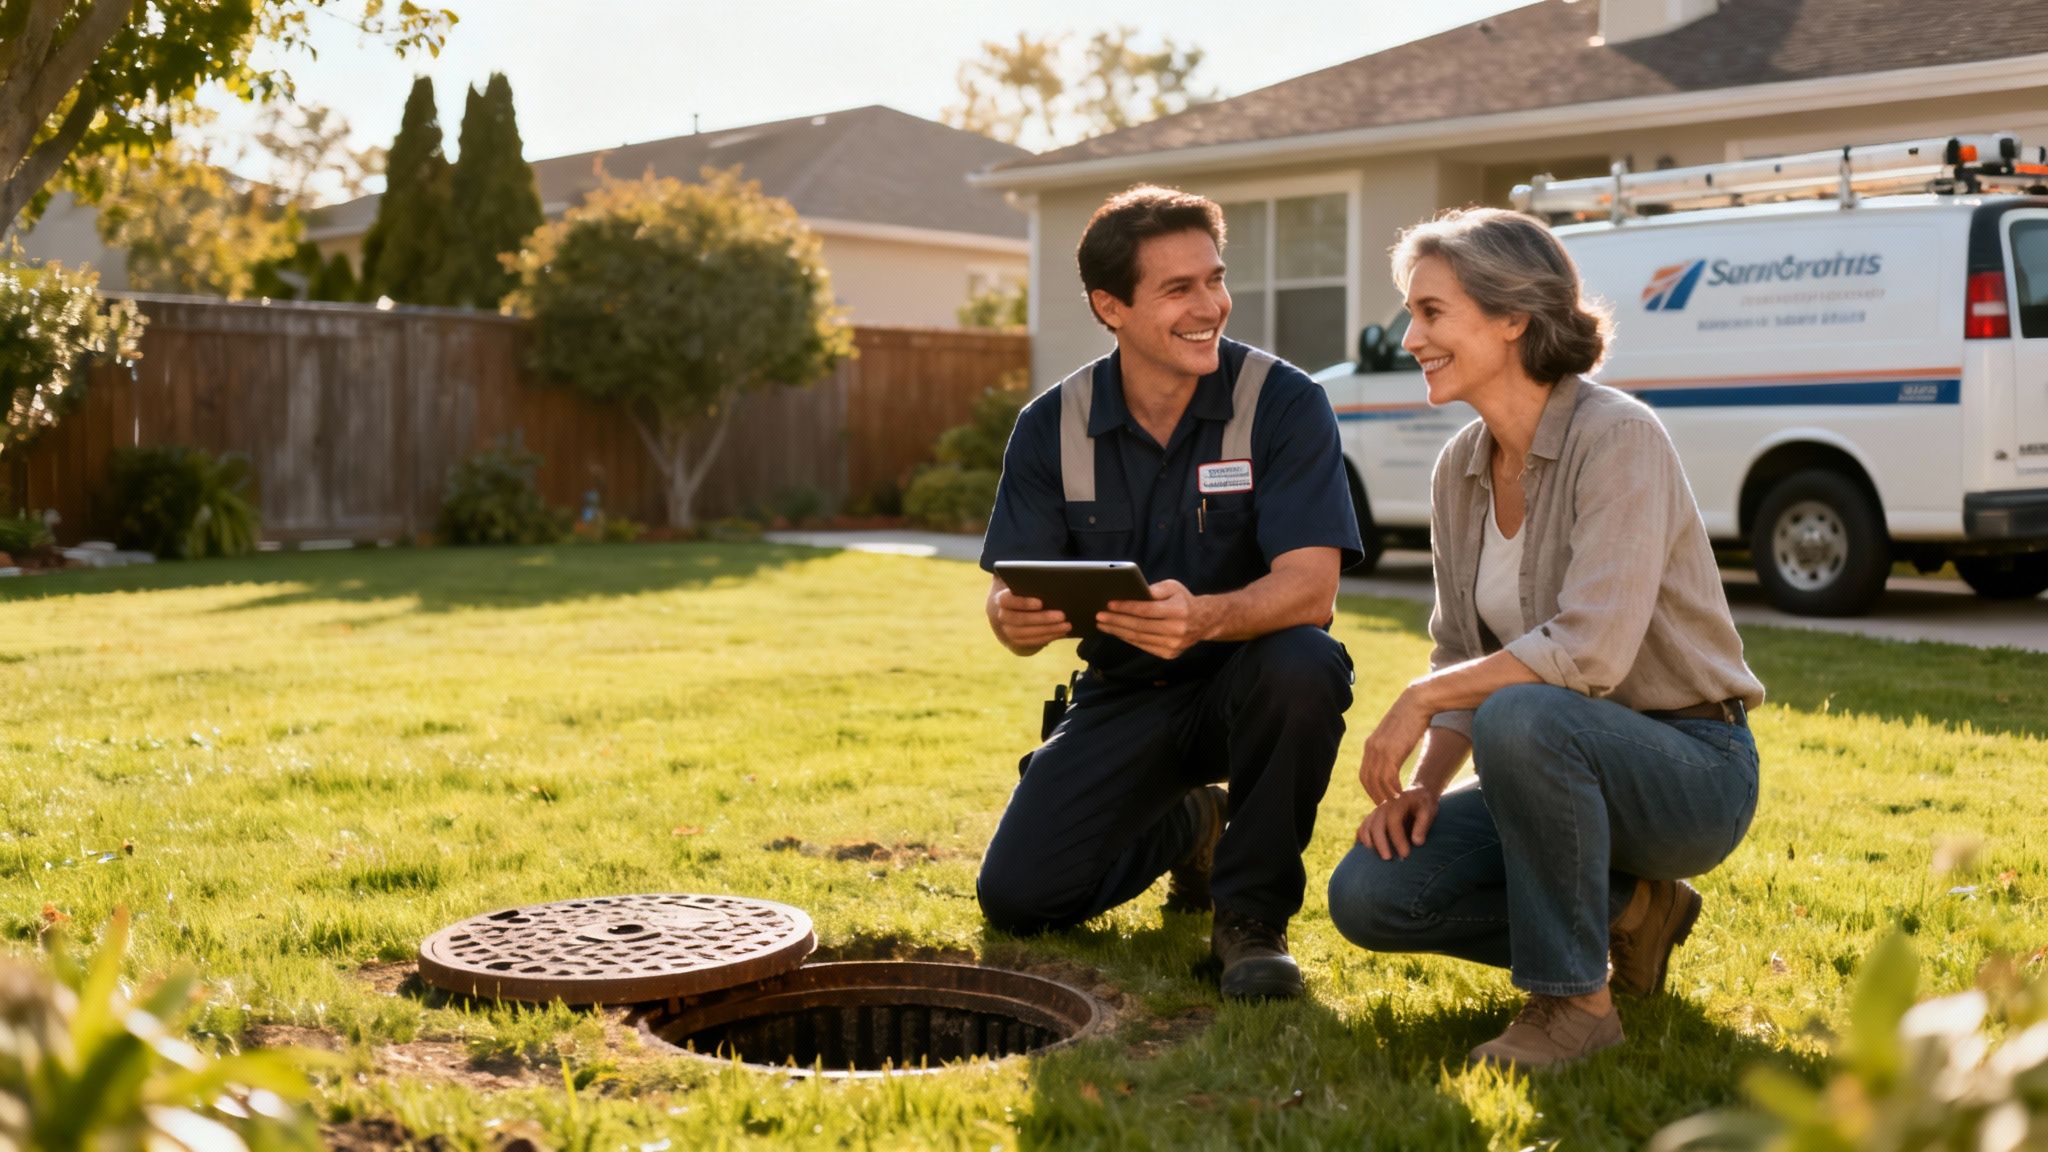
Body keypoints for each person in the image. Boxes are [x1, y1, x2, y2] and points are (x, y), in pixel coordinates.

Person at [1325, 207, 1763, 1068]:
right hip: (1545, 770)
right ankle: (1637, 911)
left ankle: (1574, 1005)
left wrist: (1422, 700)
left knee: (1521, 714)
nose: (1411, 336)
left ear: (1513, 318)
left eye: (1432, 312)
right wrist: (1426, 784)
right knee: (1373, 895)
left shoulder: (1620, 437)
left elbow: (1588, 652)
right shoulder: (1460, 467)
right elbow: (1460, 652)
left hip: (1690, 771)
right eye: (1412, 314)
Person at [976, 185, 1363, 1000]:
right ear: (1109, 306)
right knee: (1018, 899)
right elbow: (1014, 591)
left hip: (1252, 682)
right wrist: (1009, 618)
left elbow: (1311, 590)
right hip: (1126, 694)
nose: (1210, 306)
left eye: (1214, 280)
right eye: (1178, 289)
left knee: (1307, 661)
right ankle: (1196, 823)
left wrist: (1206, 618)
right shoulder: (1051, 425)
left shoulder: (1285, 404)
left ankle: (1249, 921)